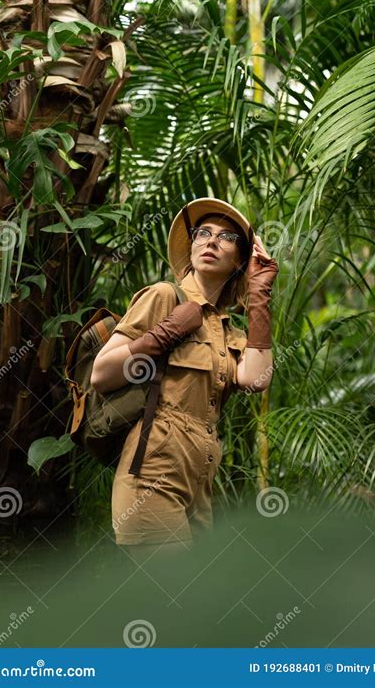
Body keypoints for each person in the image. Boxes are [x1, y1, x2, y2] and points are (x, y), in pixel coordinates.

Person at [90, 198, 279, 563]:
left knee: (190, 608)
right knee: (173, 598)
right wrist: (163, 334)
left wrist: (259, 297)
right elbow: (102, 373)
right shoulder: (164, 296)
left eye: (226, 237)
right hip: (153, 473)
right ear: (191, 245)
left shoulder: (227, 328)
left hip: (200, 481)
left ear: (240, 259)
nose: (211, 242)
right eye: (203, 233)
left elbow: (256, 378)